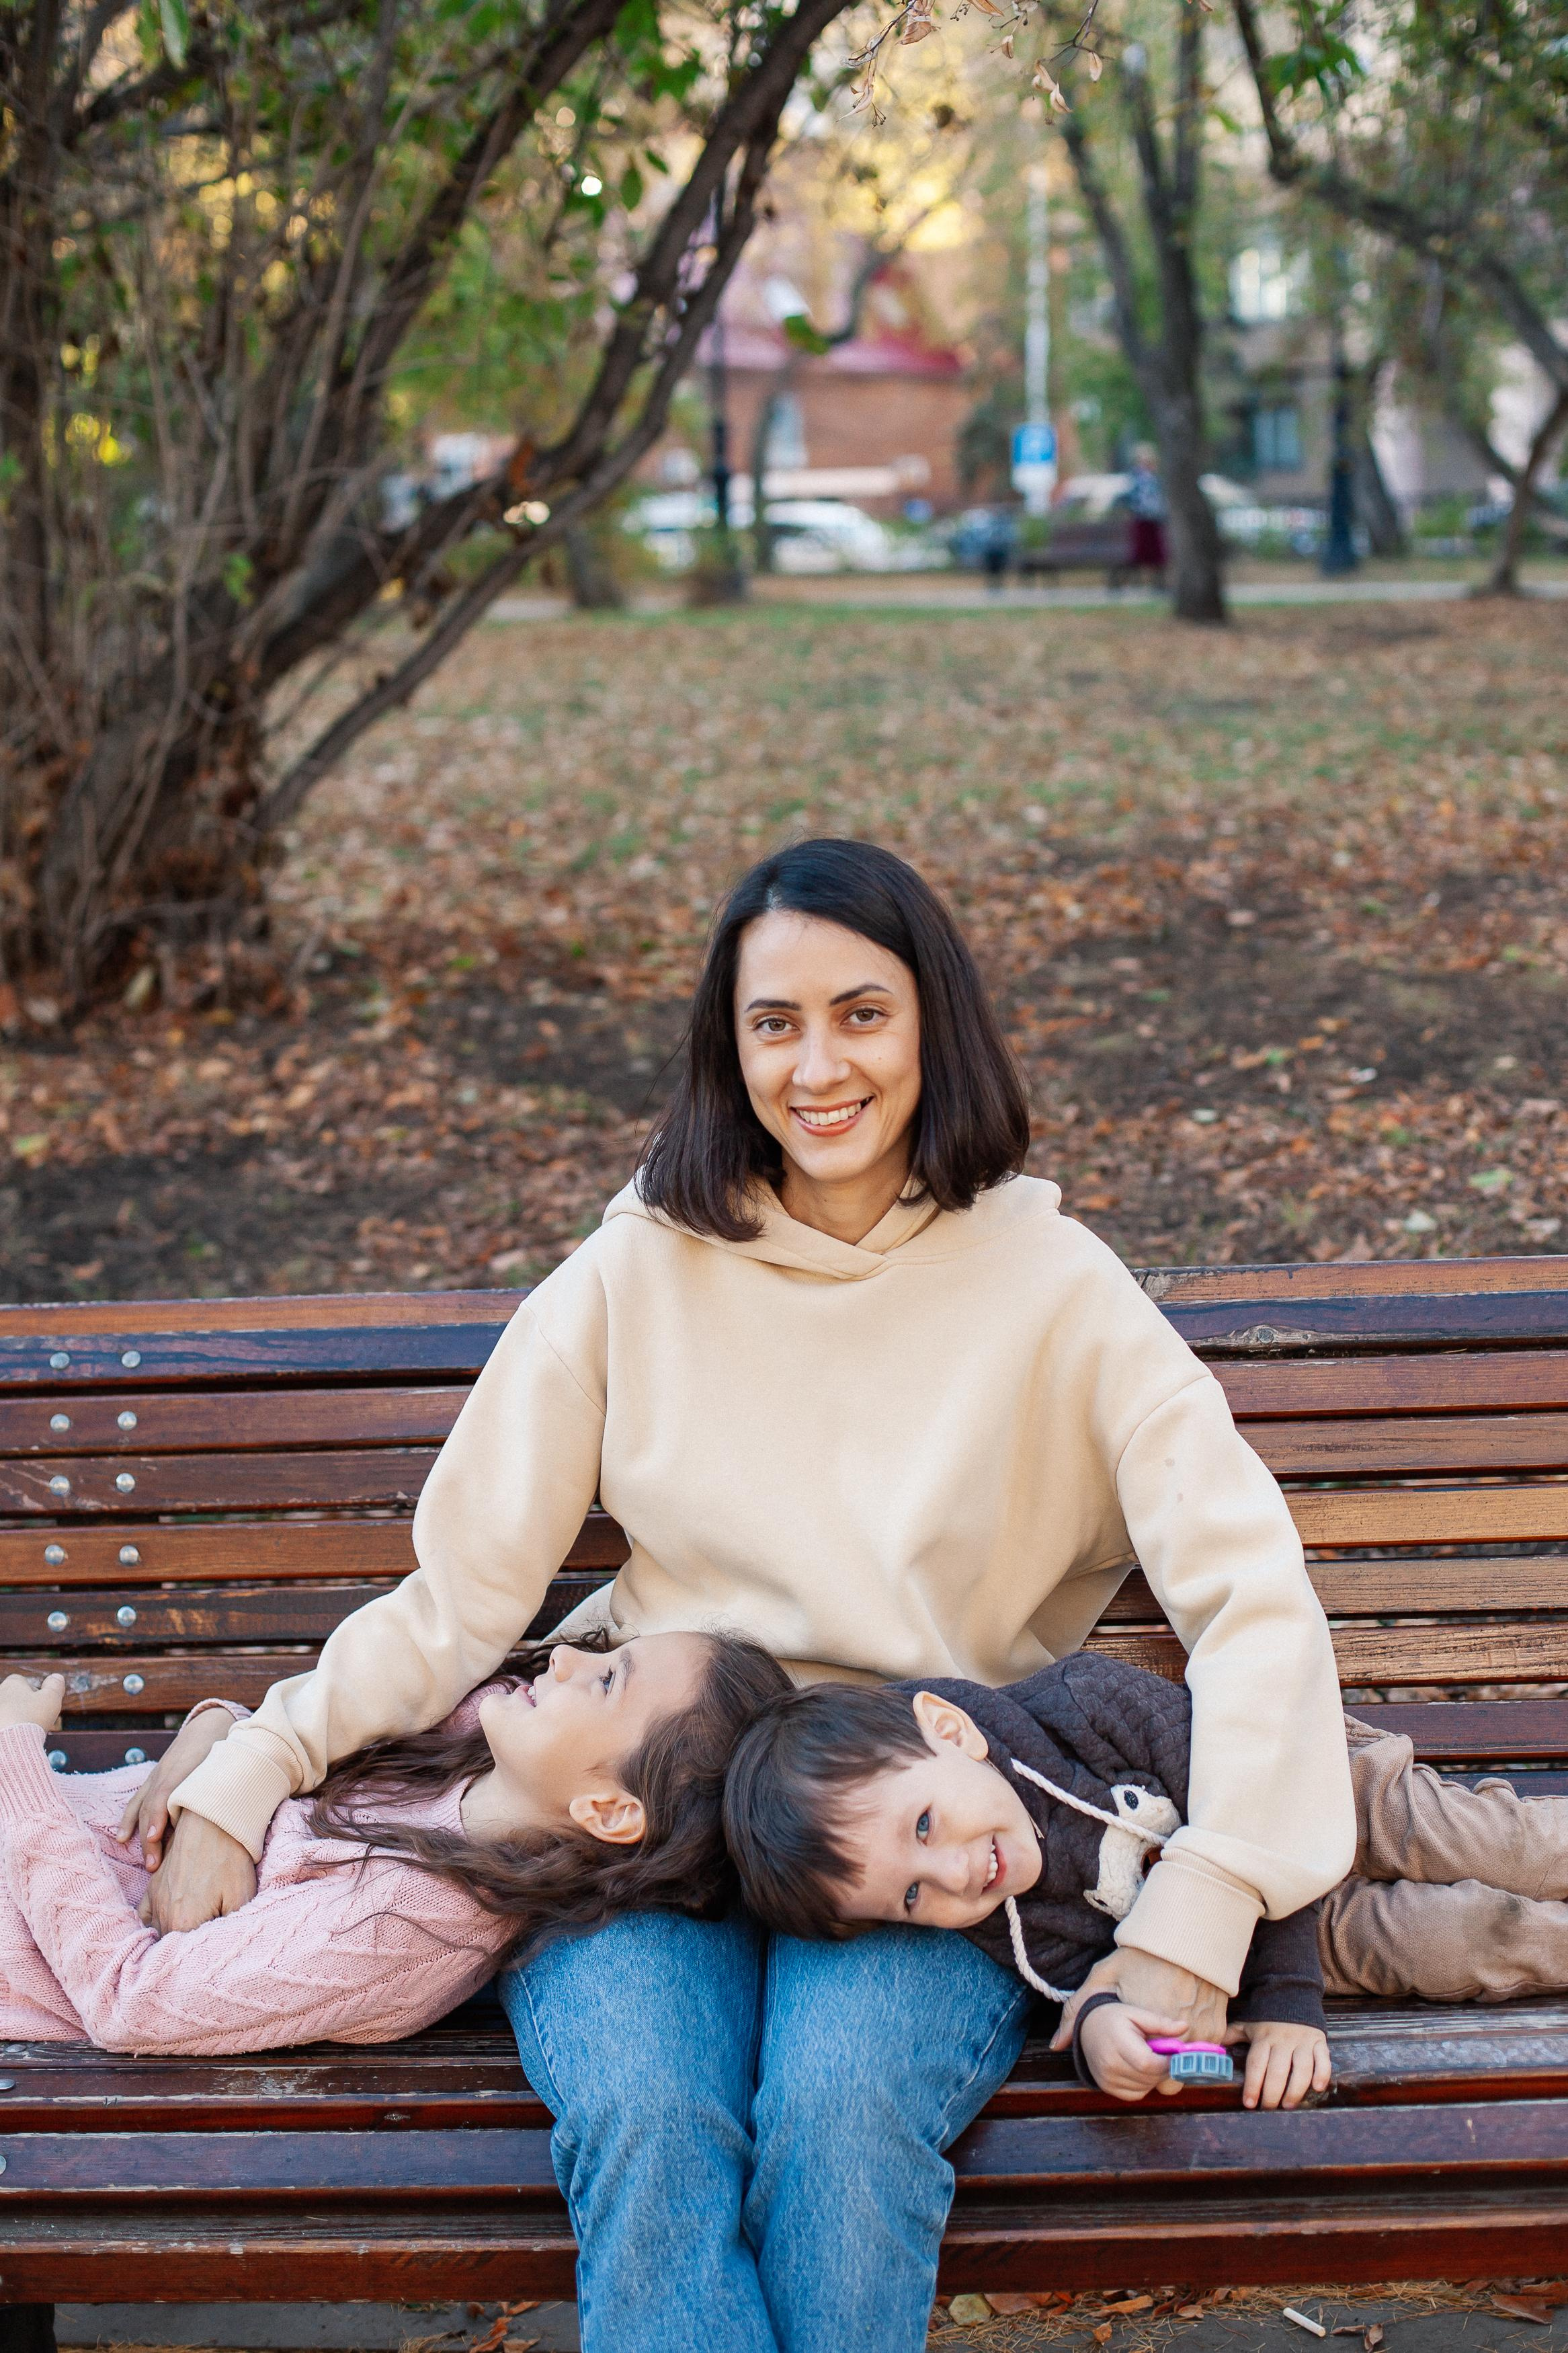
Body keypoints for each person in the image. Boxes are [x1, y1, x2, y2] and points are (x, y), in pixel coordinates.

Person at [146, 837, 1353, 2353]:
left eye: (861, 1014)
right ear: (729, 1048)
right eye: (772, 1023)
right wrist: (256, 1763)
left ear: (932, 1025)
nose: (816, 1067)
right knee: (649, 2117)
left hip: (916, 1836)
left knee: (840, 2123)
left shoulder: (1052, 1282)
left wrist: (1206, 1899)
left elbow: (1247, 1591)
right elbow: (461, 1596)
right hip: (644, 1809)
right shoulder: (636, 1268)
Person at [723, 1661, 1568, 2112]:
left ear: (950, 1731)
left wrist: (1284, 2000)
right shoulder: (996, 1920)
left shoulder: (1084, 1704)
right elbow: (1079, 1984)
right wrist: (1104, 2033)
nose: (952, 1875)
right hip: (1290, 1937)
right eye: (910, 1897)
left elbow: (1248, 1810)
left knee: (1496, 1844)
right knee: (1460, 1939)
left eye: (922, 1824)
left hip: (1313, 1795)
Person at [0, 1630, 784, 2050]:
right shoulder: (469, 1732)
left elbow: (130, 1998)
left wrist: (17, 1756)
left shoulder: (402, 1927)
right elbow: (280, 1797)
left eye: (607, 1678)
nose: (567, 1656)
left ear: (608, 1810)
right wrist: (215, 1732)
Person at [1125, 443, 1167, 584]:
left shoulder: (1156, 479)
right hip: (1142, 518)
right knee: (1143, 551)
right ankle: (1142, 581)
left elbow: (1160, 499)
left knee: (1156, 551)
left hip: (1155, 519)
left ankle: (1157, 581)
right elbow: (1132, 499)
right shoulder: (1136, 478)